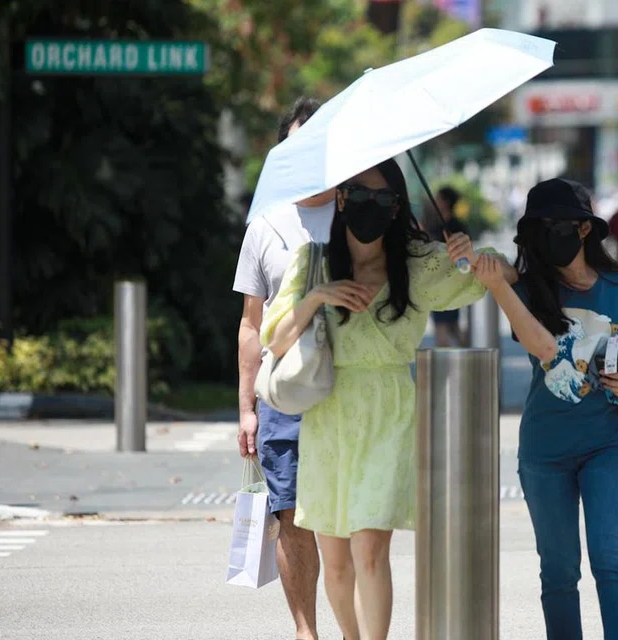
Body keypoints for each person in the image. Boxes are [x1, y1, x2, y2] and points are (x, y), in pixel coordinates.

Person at [260, 158, 515, 640]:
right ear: (340, 199)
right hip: (329, 412)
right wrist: (318, 297)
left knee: (370, 547)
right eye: (360, 195)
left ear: (398, 208)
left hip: (389, 411)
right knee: (335, 563)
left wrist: (467, 253)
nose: (370, 207)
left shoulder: (417, 264)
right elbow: (274, 341)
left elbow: (498, 274)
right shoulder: (311, 261)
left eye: (383, 199)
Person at [475, 178, 618, 640]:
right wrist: (498, 286)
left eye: (561, 224)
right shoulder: (529, 289)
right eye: (542, 226)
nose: (552, 233)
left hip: (610, 445)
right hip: (545, 451)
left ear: (583, 230)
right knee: (557, 570)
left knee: (611, 560)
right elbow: (544, 348)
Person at [232, 96, 334, 640]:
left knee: (347, 521)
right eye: (298, 141)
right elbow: (251, 325)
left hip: (349, 392)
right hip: (281, 396)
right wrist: (246, 408)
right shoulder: (264, 224)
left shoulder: (362, 215)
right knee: (290, 516)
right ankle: (305, 631)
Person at [427, 186, 470, 347]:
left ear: (445, 202)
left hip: (442, 283)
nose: (434, 202)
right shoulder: (452, 225)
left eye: (438, 198)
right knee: (453, 326)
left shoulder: (446, 227)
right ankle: (467, 360)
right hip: (453, 283)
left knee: (442, 330)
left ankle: (445, 369)